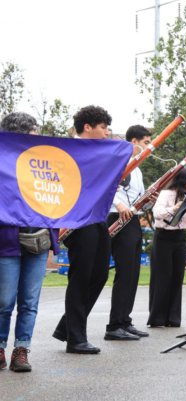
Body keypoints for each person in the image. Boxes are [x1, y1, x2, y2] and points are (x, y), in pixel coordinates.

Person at [0, 112, 59, 372]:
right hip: (6, 241)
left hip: (38, 240)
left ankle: (21, 350)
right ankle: (0, 347)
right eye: (32, 135)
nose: (37, 139)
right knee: (4, 301)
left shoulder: (44, 162)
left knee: (29, 302)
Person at [52, 105, 113, 354]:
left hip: (98, 217)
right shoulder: (68, 151)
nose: (107, 133)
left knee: (99, 274)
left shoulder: (101, 151)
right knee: (81, 277)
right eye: (103, 127)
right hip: (77, 220)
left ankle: (67, 327)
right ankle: (75, 338)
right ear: (87, 127)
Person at [104, 125, 151, 341]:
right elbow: (107, 186)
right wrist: (118, 204)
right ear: (133, 142)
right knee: (124, 273)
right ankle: (114, 325)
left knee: (133, 273)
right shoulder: (119, 161)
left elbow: (137, 200)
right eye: (145, 142)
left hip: (132, 220)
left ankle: (125, 320)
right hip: (116, 217)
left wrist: (150, 201)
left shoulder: (138, 169)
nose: (148, 147)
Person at [148, 168, 186, 327]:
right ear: (183, 180)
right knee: (163, 277)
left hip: (180, 238)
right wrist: (174, 208)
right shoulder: (166, 194)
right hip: (164, 237)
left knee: (177, 277)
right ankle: (158, 318)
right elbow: (156, 213)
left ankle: (173, 318)